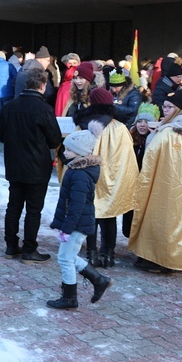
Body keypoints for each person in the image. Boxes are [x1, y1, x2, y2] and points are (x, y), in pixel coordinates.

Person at [0, 68, 63, 262]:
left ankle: (11, 245)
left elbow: (1, 135)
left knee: (14, 206)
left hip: (15, 164)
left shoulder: (10, 106)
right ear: (42, 85)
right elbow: (54, 140)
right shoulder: (44, 109)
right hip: (36, 166)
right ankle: (29, 248)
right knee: (33, 210)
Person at [72, 88, 138, 268]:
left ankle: (91, 254)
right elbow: (127, 159)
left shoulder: (84, 124)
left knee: (91, 216)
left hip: (89, 177)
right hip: (113, 180)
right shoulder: (119, 128)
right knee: (109, 216)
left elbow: (73, 151)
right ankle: (108, 254)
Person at [47, 130, 112, 309]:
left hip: (77, 224)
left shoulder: (80, 175)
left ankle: (70, 298)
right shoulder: (76, 170)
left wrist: (67, 229)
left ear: (80, 151)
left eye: (68, 149)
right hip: (77, 223)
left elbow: (76, 205)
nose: (65, 152)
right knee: (68, 256)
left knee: (65, 259)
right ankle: (99, 280)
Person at [128, 89, 182, 274]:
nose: (165, 110)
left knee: (164, 220)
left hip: (166, 186)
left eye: (170, 107)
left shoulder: (170, 132)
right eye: (165, 107)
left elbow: (155, 158)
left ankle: (161, 259)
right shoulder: (172, 129)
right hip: (175, 186)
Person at [121, 104, 159, 239]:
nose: (142, 125)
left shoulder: (157, 139)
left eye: (146, 122)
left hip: (147, 185)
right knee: (128, 224)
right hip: (131, 185)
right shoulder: (130, 138)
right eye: (139, 121)